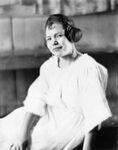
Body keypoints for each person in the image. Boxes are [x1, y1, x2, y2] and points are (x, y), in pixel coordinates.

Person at [0, 14, 112, 150]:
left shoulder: (87, 67)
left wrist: (87, 147)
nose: (54, 42)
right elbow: (36, 99)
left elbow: (93, 112)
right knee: (8, 125)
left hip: (71, 123)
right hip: (49, 113)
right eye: (49, 38)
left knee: (35, 138)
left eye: (59, 36)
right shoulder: (49, 66)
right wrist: (22, 134)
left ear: (71, 36)